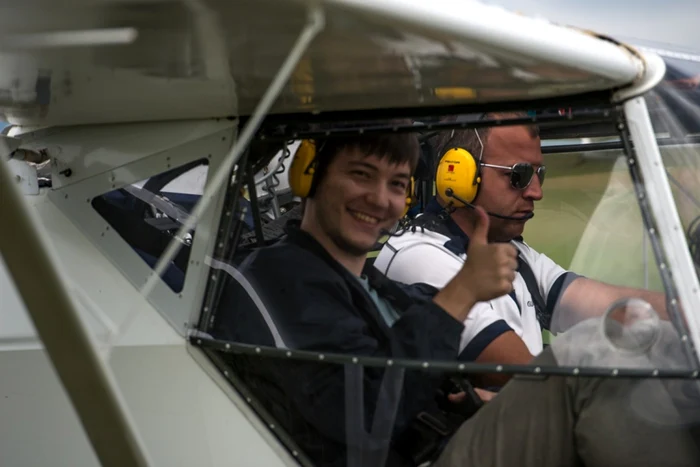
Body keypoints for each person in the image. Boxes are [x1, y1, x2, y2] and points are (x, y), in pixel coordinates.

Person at [212, 125, 699, 467]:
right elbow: (361, 417)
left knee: (629, 332)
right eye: (361, 175)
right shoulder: (286, 277)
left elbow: (408, 378)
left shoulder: (371, 285)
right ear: (309, 174)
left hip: (443, 439)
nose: (381, 199)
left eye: (397, 183)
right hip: (425, 456)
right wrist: (462, 294)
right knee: (591, 357)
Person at [373, 113, 671, 386]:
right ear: (459, 177)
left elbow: (604, 303)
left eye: (538, 174)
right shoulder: (420, 257)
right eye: (519, 175)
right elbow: (529, 376)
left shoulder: (511, 250)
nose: (536, 192)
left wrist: (685, 312)